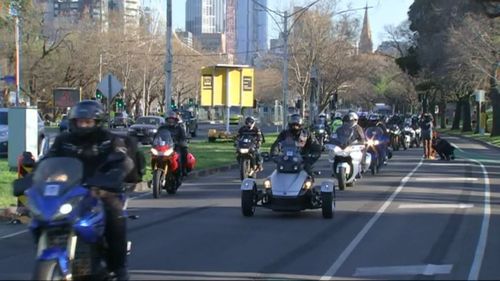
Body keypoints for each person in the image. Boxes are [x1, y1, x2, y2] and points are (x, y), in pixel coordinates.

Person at [42, 100, 136, 280]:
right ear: (73, 122)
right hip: (69, 191)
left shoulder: (110, 140)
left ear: (97, 122)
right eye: (80, 121)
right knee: (42, 215)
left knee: (115, 215)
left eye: (88, 122)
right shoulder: (63, 140)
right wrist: (36, 173)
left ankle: (119, 267)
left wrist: (115, 174)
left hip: (101, 190)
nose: (83, 125)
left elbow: (124, 159)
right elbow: (48, 160)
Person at [157, 110, 189, 176]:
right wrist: (154, 141)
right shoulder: (162, 128)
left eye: (172, 119)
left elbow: (183, 137)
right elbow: (157, 136)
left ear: (175, 120)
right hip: (164, 146)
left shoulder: (179, 128)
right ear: (166, 120)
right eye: (169, 119)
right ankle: (156, 169)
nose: (171, 121)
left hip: (175, 147)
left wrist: (181, 142)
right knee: (155, 155)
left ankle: (183, 169)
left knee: (183, 152)